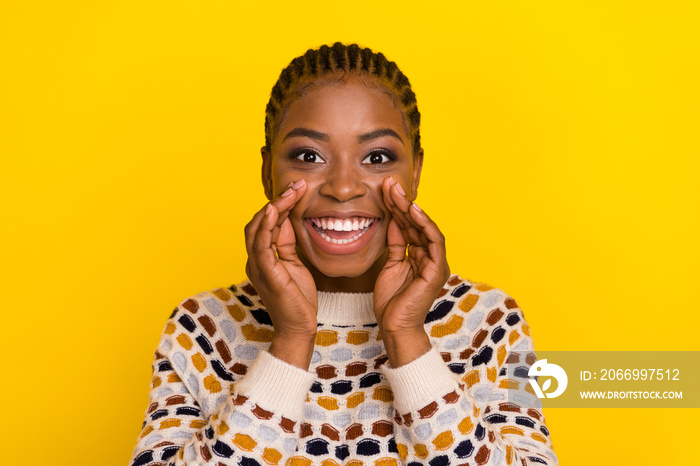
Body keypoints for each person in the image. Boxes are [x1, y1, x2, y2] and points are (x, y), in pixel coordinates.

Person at [129, 42, 558, 466]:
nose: (343, 187)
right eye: (309, 156)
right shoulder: (202, 329)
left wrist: (407, 339)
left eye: (376, 157)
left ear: (416, 172)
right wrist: (292, 339)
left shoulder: (491, 323)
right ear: (267, 172)